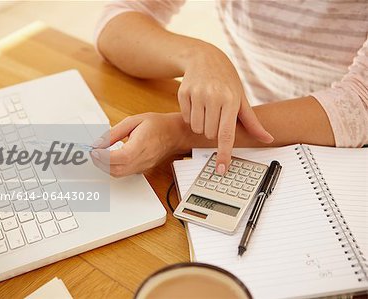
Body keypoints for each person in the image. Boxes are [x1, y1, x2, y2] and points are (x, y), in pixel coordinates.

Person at [91, 0, 368, 177]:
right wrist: (198, 55)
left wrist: (178, 133)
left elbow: (359, 106)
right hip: (253, 129)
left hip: (350, 155)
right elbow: (116, 20)